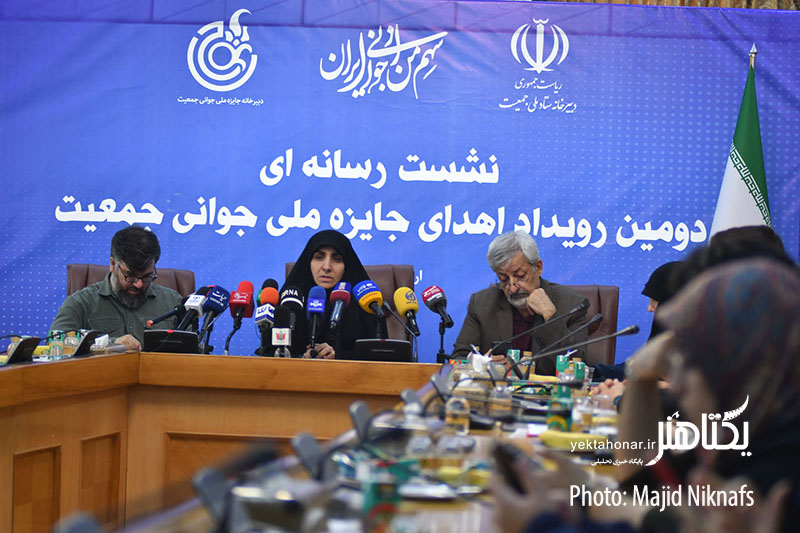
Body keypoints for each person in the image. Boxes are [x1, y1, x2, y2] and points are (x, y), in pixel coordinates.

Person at [618, 258, 800, 532]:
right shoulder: (736, 433)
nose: (677, 385)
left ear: (742, 364)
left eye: (693, 361)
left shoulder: (779, 470)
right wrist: (638, 377)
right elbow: (636, 483)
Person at [452, 231, 589, 375]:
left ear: (538, 267)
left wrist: (550, 315)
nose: (512, 288)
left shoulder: (572, 304)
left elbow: (578, 365)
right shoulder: (481, 304)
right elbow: (458, 359)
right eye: (504, 279)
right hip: (498, 388)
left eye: (520, 276)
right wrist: (479, 365)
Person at [50, 226, 182, 351]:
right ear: (113, 264)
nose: (139, 284)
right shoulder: (82, 302)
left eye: (147, 276)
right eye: (131, 276)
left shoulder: (172, 302)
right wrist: (110, 343)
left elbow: (191, 349)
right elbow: (56, 342)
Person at [282, 230, 379, 359]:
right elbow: (270, 353)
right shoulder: (291, 301)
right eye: (319, 257)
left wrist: (337, 356)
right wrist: (301, 359)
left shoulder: (365, 304)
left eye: (337, 259)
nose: (327, 267)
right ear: (308, 262)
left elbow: (378, 356)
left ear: (346, 266)